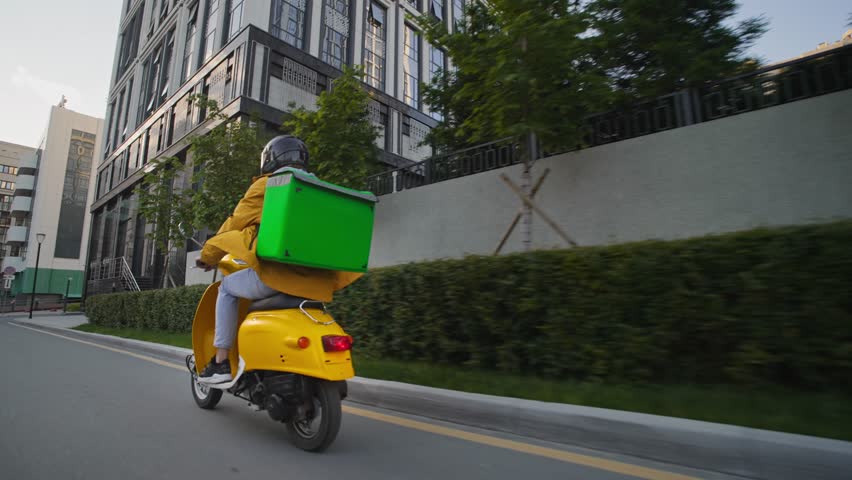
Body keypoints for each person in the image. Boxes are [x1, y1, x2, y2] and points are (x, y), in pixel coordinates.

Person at [195, 135, 361, 384]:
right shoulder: (319, 190)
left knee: (227, 288)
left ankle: (220, 363)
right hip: (319, 280)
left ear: (270, 160)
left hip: (278, 276)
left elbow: (234, 224)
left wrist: (208, 256)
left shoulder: (267, 185)